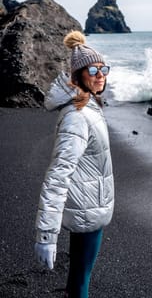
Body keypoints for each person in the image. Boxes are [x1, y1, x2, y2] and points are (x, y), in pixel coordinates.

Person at [34, 30, 114, 298]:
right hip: (87, 209)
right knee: (82, 282)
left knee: (78, 277)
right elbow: (58, 175)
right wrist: (46, 235)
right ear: (78, 75)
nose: (100, 73)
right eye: (93, 68)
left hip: (88, 203)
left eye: (103, 68)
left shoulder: (90, 106)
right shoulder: (78, 116)